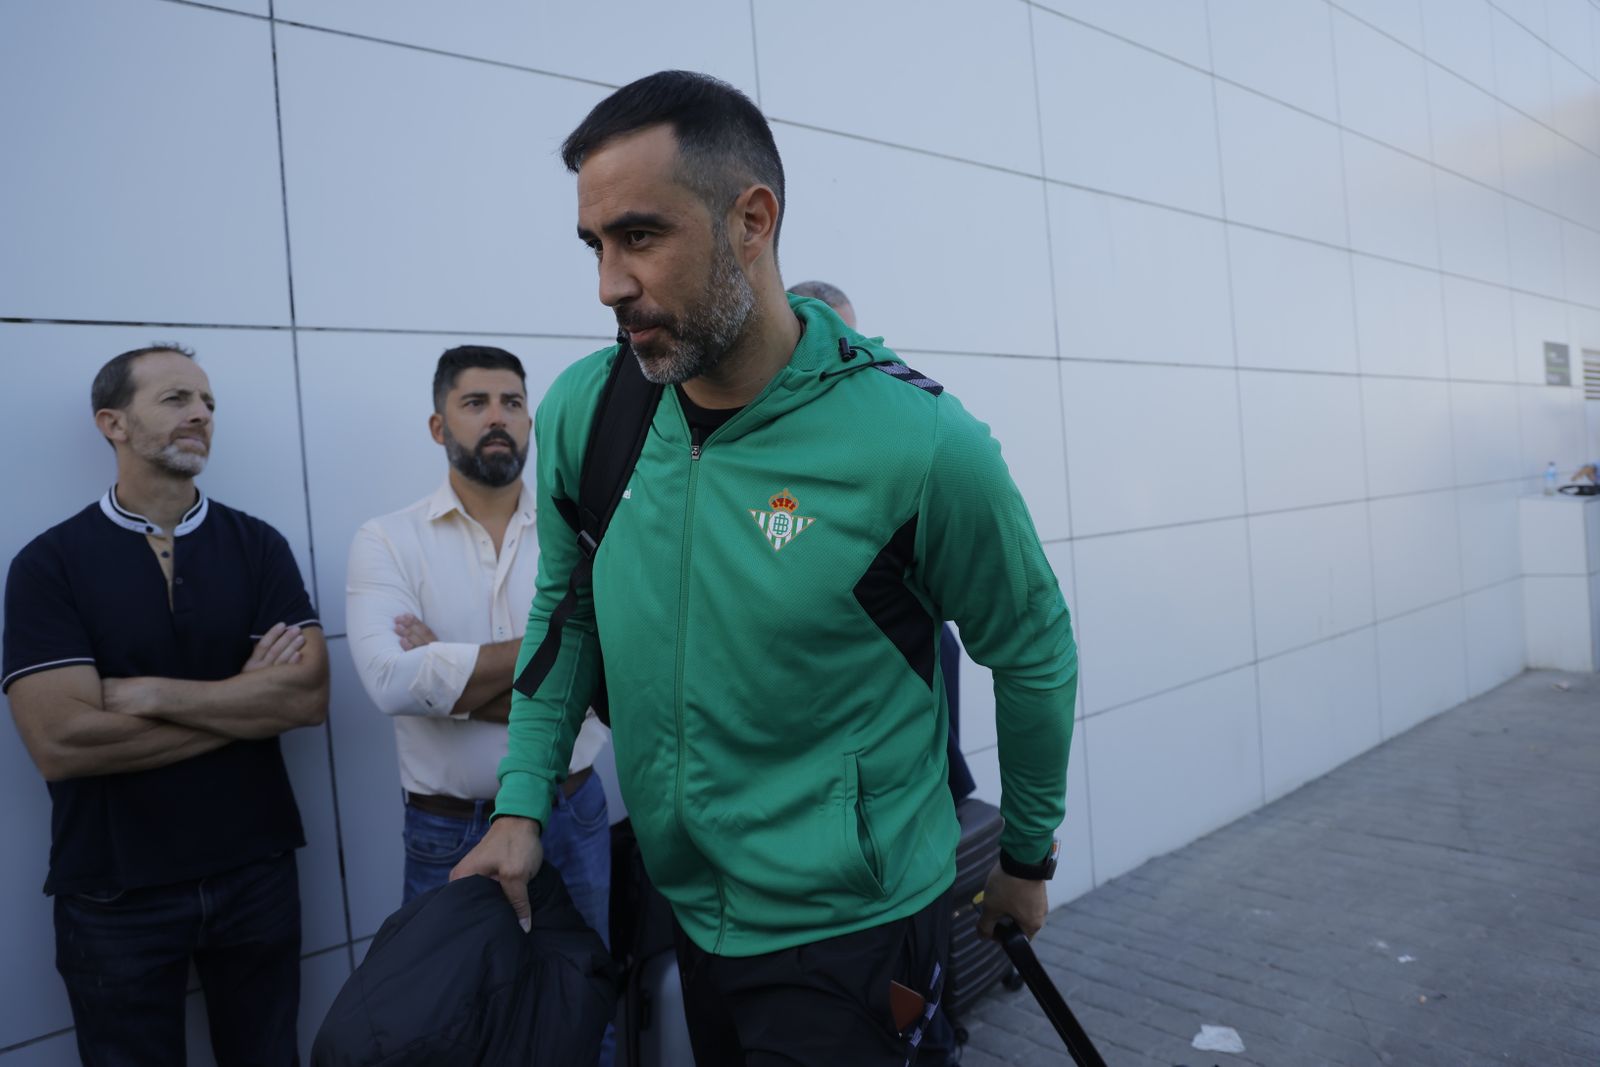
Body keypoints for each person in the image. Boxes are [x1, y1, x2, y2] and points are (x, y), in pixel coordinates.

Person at [454, 71, 1077, 1066]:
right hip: (685, 909)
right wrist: (523, 804)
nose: (609, 282)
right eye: (596, 244)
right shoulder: (587, 411)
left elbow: (1034, 645)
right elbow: (565, 619)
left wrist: (1025, 856)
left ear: (751, 220)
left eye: (641, 236)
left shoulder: (918, 444)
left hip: (856, 927)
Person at [2, 344, 328, 1066]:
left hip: (256, 872)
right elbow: (62, 742)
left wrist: (153, 695)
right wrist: (243, 703)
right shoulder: (48, 564)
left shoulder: (258, 545)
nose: (202, 415)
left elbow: (306, 696)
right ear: (112, 423)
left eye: (208, 402)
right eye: (177, 399)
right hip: (116, 894)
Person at [344, 346, 612, 922]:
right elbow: (392, 683)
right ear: (439, 425)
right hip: (448, 827)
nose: (498, 417)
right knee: (453, 1010)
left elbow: (614, 679)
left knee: (584, 1001)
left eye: (512, 402)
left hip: (571, 809)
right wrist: (571, 647)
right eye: (476, 402)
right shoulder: (388, 540)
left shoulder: (584, 534)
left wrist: (444, 676)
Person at [789, 279, 977, 806]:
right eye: (839, 336)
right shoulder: (774, 424)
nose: (854, 352)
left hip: (892, 613)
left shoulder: (886, 410)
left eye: (854, 336)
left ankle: (942, 789)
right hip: (825, 634)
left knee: (939, 645)